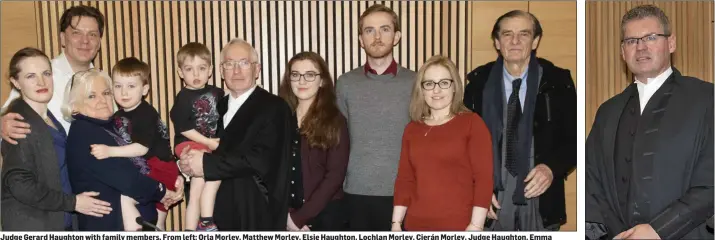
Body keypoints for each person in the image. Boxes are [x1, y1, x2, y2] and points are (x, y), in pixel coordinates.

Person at [585, 5, 713, 240]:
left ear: (671, 43)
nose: (641, 47)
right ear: (622, 52)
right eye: (632, 40)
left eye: (651, 37)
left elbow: (710, 182)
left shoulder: (706, 99)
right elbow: (591, 183)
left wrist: (659, 230)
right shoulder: (608, 112)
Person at [463, 10, 576, 231]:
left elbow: (573, 141)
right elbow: (462, 146)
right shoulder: (478, 84)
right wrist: (477, 191)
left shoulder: (558, 82)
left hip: (540, 196)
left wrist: (552, 168)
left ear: (535, 41)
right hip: (492, 198)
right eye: (507, 34)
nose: (515, 41)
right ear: (497, 42)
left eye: (523, 34)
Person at [178, 38, 292, 230]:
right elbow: (195, 143)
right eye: (229, 64)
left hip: (255, 215)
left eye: (244, 63)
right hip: (214, 217)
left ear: (257, 69)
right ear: (221, 71)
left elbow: (259, 160)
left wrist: (204, 163)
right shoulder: (215, 106)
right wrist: (186, 162)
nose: (236, 70)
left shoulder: (274, 107)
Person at [1, 47, 112, 231]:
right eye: (30, 76)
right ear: (16, 82)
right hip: (32, 225)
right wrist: (73, 203)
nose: (41, 81)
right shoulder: (18, 122)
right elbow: (18, 184)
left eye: (46, 73)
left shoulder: (48, 117)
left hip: (57, 220)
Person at [63, 68, 181, 231]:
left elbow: (154, 151)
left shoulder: (116, 123)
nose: (102, 100)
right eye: (92, 96)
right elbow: (125, 177)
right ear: (75, 106)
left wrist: (174, 177)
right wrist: (161, 190)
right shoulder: (84, 131)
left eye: (106, 93)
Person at [336, 4, 416, 231]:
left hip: (404, 193)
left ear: (397, 36)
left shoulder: (415, 82)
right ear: (361, 39)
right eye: (369, 30)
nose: (377, 37)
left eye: (385, 29)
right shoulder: (345, 83)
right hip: (355, 192)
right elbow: (337, 141)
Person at [391, 56, 492, 231]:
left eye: (444, 83)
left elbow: (483, 179)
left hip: (460, 225)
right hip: (415, 225)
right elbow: (405, 180)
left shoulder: (472, 124)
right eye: (429, 84)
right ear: (421, 90)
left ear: (454, 87)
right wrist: (396, 224)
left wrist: (476, 225)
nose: (436, 90)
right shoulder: (412, 129)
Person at [2, 5, 104, 139]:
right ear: (62, 38)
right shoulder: (38, 75)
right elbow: (6, 117)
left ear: (99, 42)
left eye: (92, 34)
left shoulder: (107, 82)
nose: (85, 41)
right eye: (76, 33)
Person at [278, 52, 350, 231]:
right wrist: (286, 216)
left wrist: (300, 218)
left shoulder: (335, 120)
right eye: (295, 75)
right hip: (285, 216)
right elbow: (273, 171)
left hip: (325, 217)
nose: (302, 81)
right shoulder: (280, 119)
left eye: (310, 75)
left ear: (323, 81)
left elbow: (335, 176)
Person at [170, 42, 224, 231]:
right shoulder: (183, 97)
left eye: (201, 68)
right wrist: (209, 142)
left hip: (208, 147)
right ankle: (206, 222)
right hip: (189, 144)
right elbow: (183, 127)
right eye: (189, 69)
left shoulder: (218, 93)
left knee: (199, 188)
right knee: (205, 179)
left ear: (210, 70)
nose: (196, 74)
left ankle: (191, 230)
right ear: (180, 72)